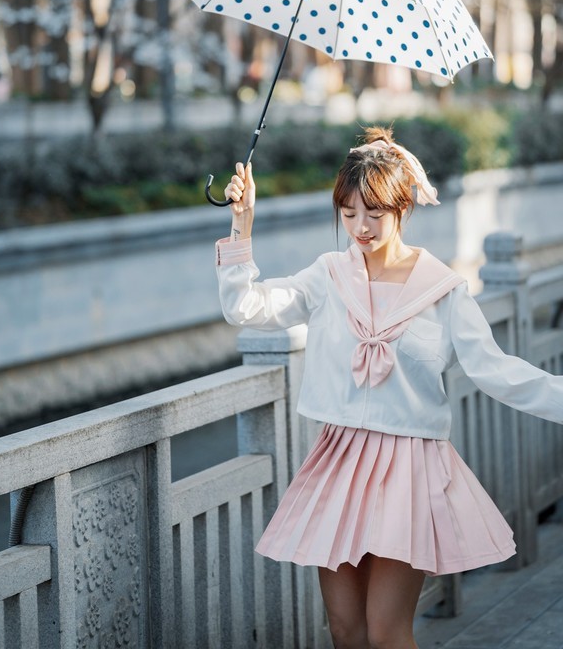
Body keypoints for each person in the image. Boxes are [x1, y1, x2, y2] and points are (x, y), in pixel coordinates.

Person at [215, 126, 563, 649]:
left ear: (403, 208)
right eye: (349, 213)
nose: (360, 226)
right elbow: (247, 308)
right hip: (340, 463)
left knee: (386, 633)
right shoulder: (328, 275)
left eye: (373, 213)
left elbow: (497, 371)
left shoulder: (443, 290)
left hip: (410, 468)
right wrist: (242, 231)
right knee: (345, 630)